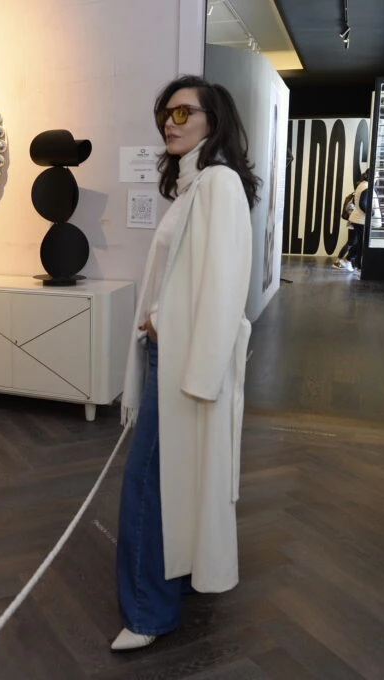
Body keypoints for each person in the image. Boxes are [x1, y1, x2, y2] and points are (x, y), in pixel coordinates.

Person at [113, 75, 259, 651]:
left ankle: (148, 612)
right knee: (168, 484)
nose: (169, 124)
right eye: (164, 115)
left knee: (148, 486)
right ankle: (166, 590)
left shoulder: (218, 183)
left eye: (182, 113)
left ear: (211, 121)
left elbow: (224, 287)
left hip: (183, 363)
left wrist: (182, 351)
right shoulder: (194, 186)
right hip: (171, 356)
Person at [333, 168, 381, 272]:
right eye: (377, 176)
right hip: (360, 220)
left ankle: (348, 261)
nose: (378, 178)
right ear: (372, 176)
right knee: (356, 243)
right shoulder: (366, 187)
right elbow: (362, 203)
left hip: (356, 219)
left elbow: (358, 202)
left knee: (357, 243)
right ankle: (351, 263)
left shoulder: (362, 185)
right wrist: (371, 213)